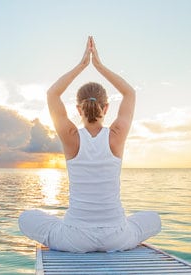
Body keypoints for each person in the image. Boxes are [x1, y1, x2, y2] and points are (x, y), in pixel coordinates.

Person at [18, 36, 161, 253]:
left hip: (75, 238)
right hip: (116, 236)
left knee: (26, 218)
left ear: (78, 109)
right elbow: (130, 93)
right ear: (105, 108)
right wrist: (99, 66)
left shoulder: (71, 136)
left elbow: (52, 94)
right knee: (154, 219)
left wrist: (82, 65)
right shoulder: (116, 135)